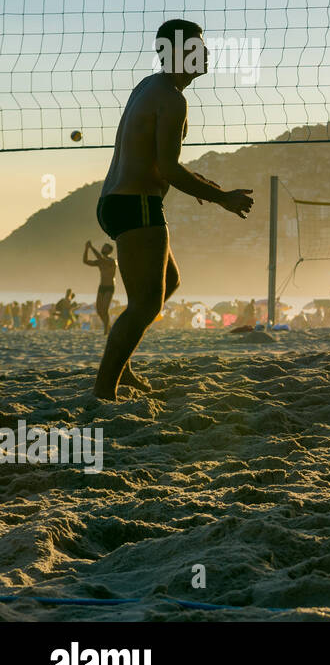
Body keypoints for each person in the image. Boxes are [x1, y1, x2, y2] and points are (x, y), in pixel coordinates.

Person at [92, 20, 254, 398]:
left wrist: (203, 184)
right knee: (145, 304)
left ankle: (122, 365)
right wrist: (223, 199)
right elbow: (166, 169)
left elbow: (156, 160)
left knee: (168, 284)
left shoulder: (150, 86)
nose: (208, 53)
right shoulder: (172, 98)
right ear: (179, 54)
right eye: (199, 47)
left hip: (115, 202)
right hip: (138, 207)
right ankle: (103, 391)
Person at [83, 241, 118, 335]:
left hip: (110, 287)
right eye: (103, 247)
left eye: (105, 247)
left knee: (105, 309)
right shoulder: (100, 261)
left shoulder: (112, 261)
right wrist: (86, 248)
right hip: (101, 286)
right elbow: (85, 261)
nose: (103, 248)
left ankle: (106, 330)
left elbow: (100, 258)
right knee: (99, 310)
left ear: (109, 251)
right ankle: (108, 326)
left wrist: (91, 247)